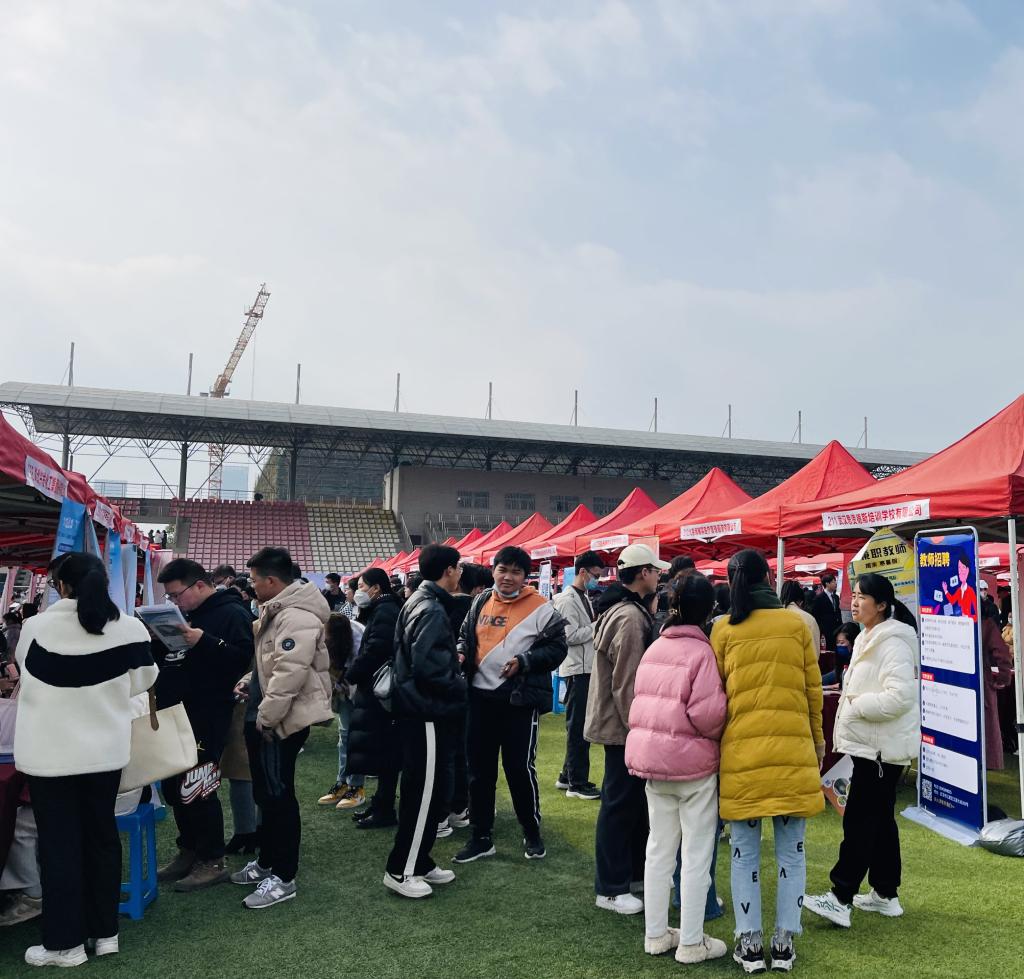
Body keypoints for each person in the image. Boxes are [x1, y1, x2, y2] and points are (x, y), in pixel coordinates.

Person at [13, 552, 158, 967]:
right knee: (102, 839)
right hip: (105, 754)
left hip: (49, 756)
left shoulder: (36, 628)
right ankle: (105, 932)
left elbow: (25, 668)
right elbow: (144, 681)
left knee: (59, 846)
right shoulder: (130, 628)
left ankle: (65, 945)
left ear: (61, 585)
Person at [710, 549, 824, 974]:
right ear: (768, 577)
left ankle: (750, 944)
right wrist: (818, 741)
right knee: (792, 853)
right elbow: (813, 691)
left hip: (742, 756)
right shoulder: (795, 625)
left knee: (744, 853)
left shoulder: (723, 629)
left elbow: (714, 698)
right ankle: (784, 943)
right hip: (792, 753)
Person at [805, 573, 919, 929]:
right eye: (853, 595)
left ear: (882, 605)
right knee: (880, 820)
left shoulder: (893, 642)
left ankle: (841, 896)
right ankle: (885, 893)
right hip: (872, 745)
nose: (854, 602)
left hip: (880, 749)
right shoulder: (869, 636)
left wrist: (855, 705)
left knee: (860, 820)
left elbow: (900, 697)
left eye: (862, 597)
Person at [626, 573, 728, 964]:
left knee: (659, 850)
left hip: (654, 763)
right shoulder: (702, 653)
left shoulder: (655, 647)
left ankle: (656, 934)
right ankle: (691, 941)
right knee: (696, 854)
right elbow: (708, 715)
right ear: (709, 611)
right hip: (693, 767)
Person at [230, 547, 333, 909]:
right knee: (266, 795)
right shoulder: (277, 611)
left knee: (278, 796)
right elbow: (271, 663)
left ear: (272, 581)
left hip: (279, 721)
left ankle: (284, 876)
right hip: (267, 715)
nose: (251, 587)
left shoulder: (296, 616)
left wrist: (268, 716)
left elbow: (291, 672)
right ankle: (268, 861)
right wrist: (250, 681)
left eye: (255, 580)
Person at [453, 545, 567, 863]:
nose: (508, 577)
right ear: (494, 571)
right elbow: (464, 636)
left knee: (519, 770)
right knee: (479, 772)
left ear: (525, 576)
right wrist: (461, 652)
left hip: (518, 702)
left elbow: (558, 648)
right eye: (503, 570)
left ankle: (532, 832)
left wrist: (525, 661)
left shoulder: (541, 607)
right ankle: (481, 837)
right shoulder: (480, 601)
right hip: (479, 700)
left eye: (516, 572)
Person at [154, 559, 256, 892]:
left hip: (207, 713)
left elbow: (244, 660)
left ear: (199, 585)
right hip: (175, 711)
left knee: (198, 785)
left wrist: (204, 640)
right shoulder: (187, 614)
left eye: (176, 595)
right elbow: (170, 658)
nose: (174, 602)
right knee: (174, 786)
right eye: (169, 597)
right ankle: (189, 849)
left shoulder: (232, 613)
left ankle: (212, 860)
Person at [588, 542, 669, 915]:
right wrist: (638, 728)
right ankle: (611, 886)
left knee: (632, 803)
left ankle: (632, 875)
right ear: (643, 573)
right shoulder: (630, 617)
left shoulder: (622, 610)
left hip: (622, 725)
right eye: (656, 570)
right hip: (624, 728)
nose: (659, 576)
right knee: (620, 804)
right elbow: (628, 683)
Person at [384, 544, 468, 898]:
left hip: (420, 709)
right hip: (426, 712)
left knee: (428, 791)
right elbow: (428, 667)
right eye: (458, 568)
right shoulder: (430, 608)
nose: (460, 573)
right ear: (449, 570)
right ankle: (401, 869)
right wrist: (460, 684)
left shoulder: (421, 600)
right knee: (424, 792)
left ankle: (419, 860)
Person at [346, 568, 403, 829]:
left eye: (361, 586)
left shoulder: (385, 611)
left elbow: (376, 650)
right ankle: (380, 804)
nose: (358, 591)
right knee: (382, 752)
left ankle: (384, 809)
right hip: (377, 690)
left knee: (385, 753)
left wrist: (351, 675)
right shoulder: (381, 609)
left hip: (380, 692)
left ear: (376, 588)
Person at [553, 551, 603, 801]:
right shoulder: (567, 600)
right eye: (595, 575)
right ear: (582, 572)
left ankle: (568, 776)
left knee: (579, 725)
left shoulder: (583, 597)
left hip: (584, 667)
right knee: (578, 728)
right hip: (577, 669)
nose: (597, 580)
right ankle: (577, 782)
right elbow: (570, 636)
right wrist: (597, 626)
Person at [318, 612, 366, 809]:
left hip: (362, 689)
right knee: (344, 737)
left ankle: (356, 787)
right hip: (344, 687)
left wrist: (347, 684)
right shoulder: (324, 632)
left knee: (357, 739)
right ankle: (342, 782)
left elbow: (361, 666)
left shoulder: (358, 636)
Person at [781, 580, 820, 655]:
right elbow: (814, 652)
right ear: (801, 602)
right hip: (799, 661)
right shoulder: (808, 619)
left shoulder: (771, 617)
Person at [810, 573, 842, 650]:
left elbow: (838, 612)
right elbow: (815, 615)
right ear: (827, 584)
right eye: (833, 582)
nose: (835, 584)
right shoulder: (819, 598)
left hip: (836, 629)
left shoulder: (836, 597)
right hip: (825, 631)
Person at [821, 623, 860, 687]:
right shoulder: (841, 661)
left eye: (842, 642)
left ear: (853, 642)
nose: (839, 645)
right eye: (837, 642)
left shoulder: (859, 662)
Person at [941, 550, 976, 618]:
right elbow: (952, 601)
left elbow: (976, 614)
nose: (960, 571)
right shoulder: (959, 590)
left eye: (963, 567)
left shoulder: (971, 591)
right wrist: (945, 590)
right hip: (959, 621)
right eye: (959, 568)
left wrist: (968, 617)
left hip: (968, 623)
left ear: (967, 570)